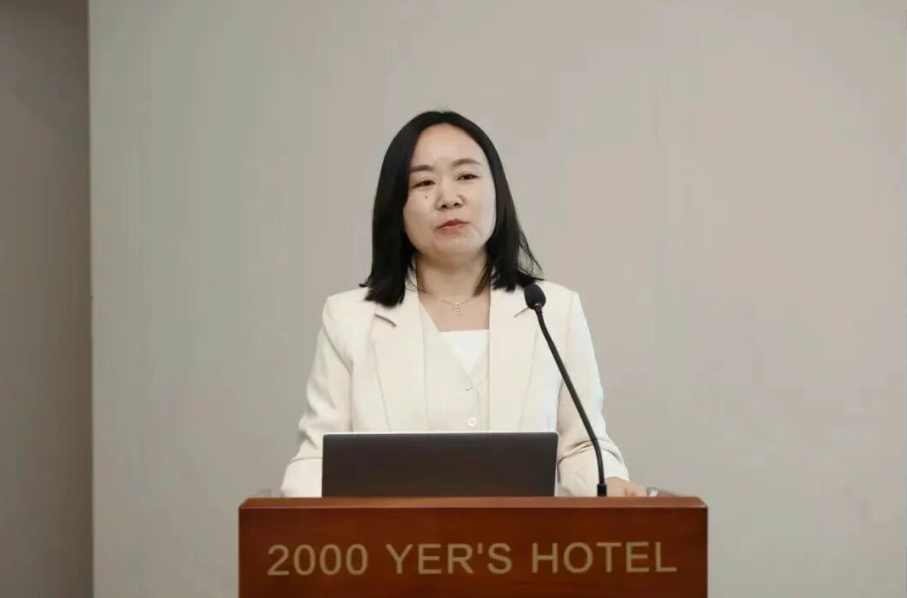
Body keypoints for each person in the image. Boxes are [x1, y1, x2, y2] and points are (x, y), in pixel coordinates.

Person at [281, 109, 646, 497]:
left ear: (497, 192)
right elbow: (319, 459)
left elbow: (582, 447)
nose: (448, 198)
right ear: (397, 206)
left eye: (466, 176)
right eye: (424, 182)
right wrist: (294, 513)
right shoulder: (349, 320)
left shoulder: (553, 311)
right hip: (394, 537)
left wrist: (610, 484)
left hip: (524, 537)